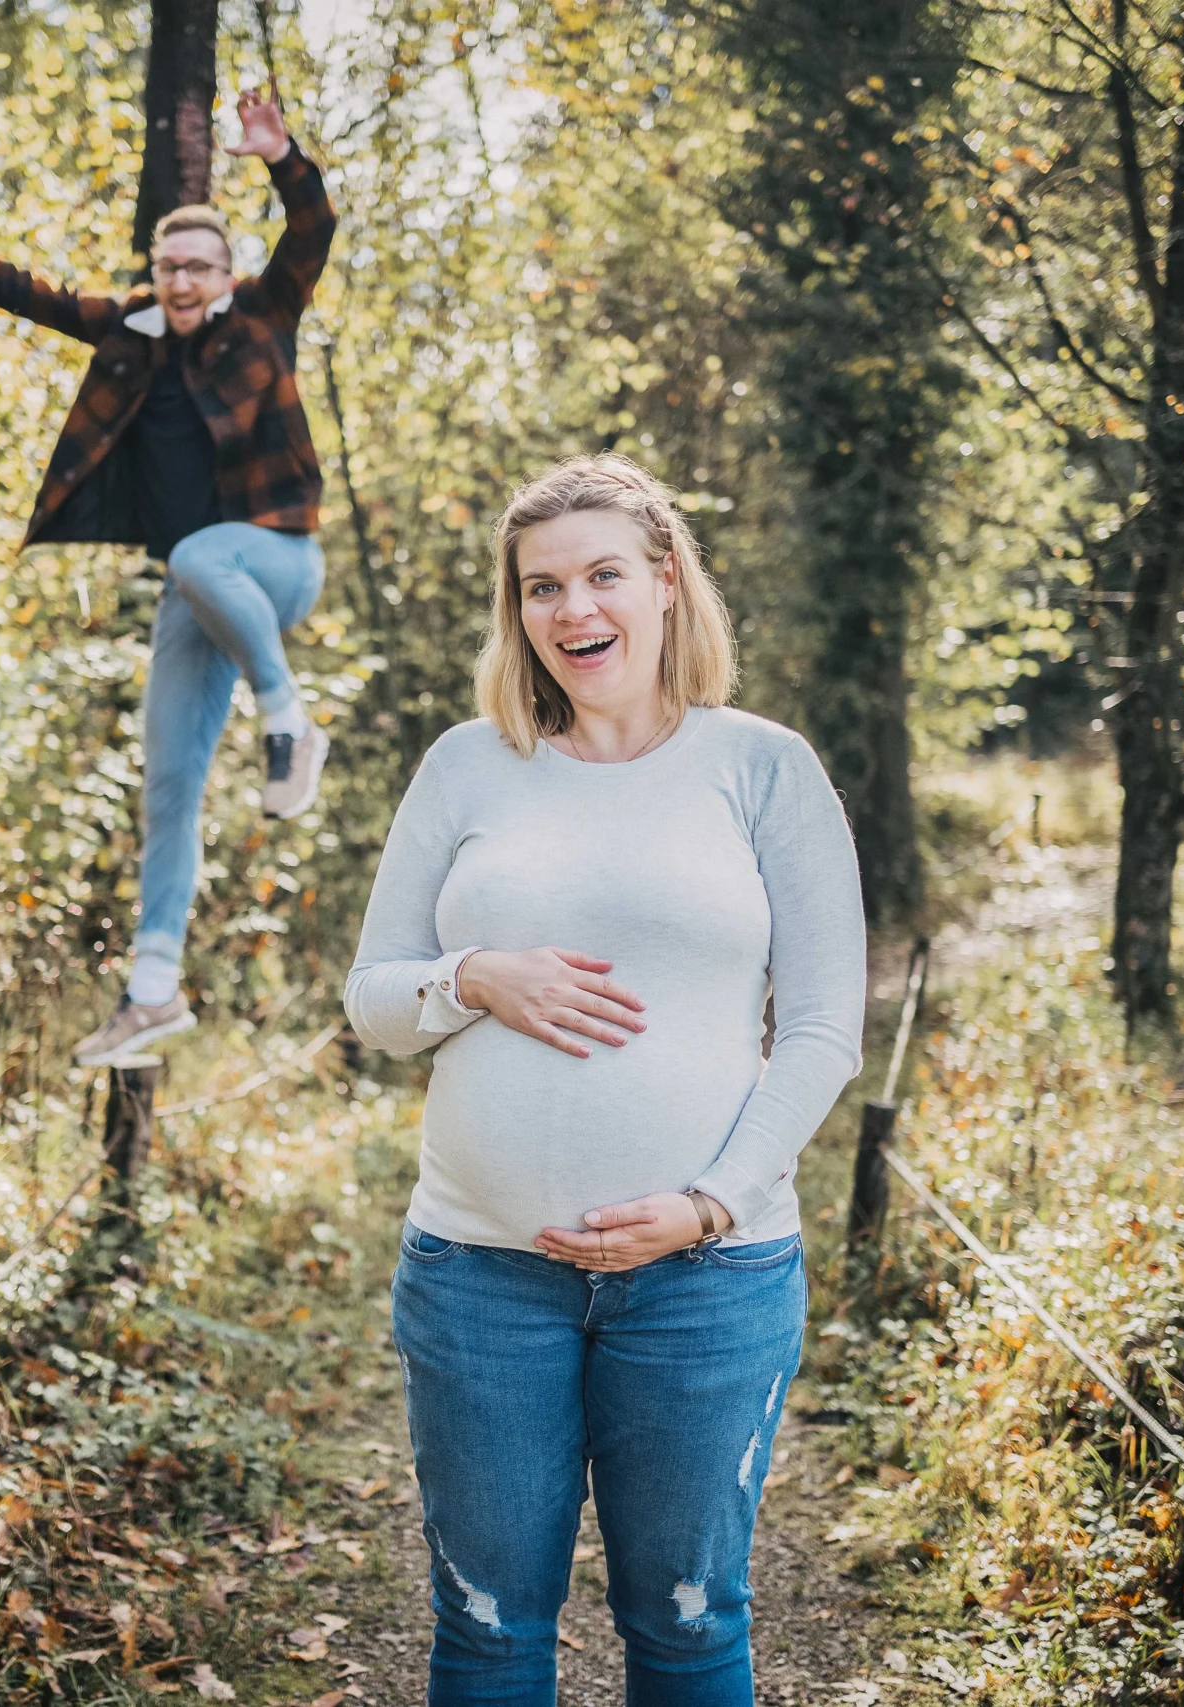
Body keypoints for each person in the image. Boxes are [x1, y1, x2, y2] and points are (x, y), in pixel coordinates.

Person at [342, 456, 867, 1707]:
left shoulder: (763, 767)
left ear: (667, 582)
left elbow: (824, 1029)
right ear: (516, 613)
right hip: (480, 1276)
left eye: (602, 576)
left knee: (686, 1628)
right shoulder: (469, 765)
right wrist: (471, 975)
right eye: (541, 589)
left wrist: (710, 1204)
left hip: (707, 1283)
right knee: (484, 1630)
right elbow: (372, 1000)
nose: (573, 612)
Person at [0, 88, 333, 1067]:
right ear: (155, 273)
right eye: (167, 265)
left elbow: (312, 228)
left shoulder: (268, 313)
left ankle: (286, 717)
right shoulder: (128, 333)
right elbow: (20, 289)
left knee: (194, 552)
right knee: (168, 783)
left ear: (227, 275)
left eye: (198, 266)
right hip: (198, 597)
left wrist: (280, 159)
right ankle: (152, 990)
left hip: (274, 565)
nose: (182, 280)